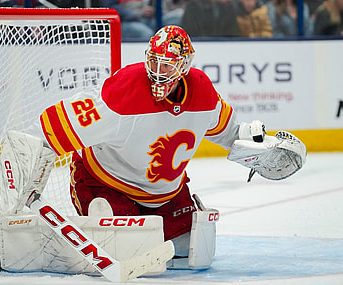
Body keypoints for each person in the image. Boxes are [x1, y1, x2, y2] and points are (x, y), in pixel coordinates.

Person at [39, 25, 305, 265]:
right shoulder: (126, 90)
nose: (157, 72)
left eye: (167, 65)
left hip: (165, 195)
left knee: (192, 251)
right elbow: (55, 128)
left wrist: (256, 140)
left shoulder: (202, 91)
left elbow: (230, 132)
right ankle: (90, 229)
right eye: (154, 62)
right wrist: (27, 167)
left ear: (184, 66)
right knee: (128, 253)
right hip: (107, 184)